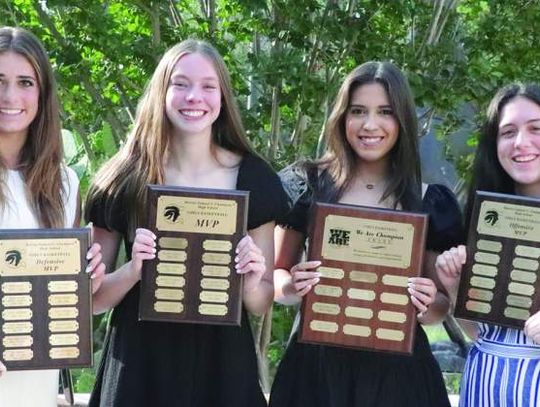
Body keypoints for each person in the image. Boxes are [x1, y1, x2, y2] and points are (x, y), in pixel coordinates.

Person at [84, 38, 289, 406]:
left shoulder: (254, 178)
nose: (195, 96)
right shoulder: (123, 179)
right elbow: (94, 298)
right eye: (180, 84)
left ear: (223, 97)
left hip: (222, 369)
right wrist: (132, 271)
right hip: (139, 365)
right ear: (161, 91)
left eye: (208, 86)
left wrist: (251, 279)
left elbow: (261, 303)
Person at [270, 61, 464, 407]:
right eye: (358, 111)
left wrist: (424, 302)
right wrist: (291, 286)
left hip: (400, 378)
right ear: (342, 117)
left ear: (401, 120)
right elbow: (277, 278)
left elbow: (439, 307)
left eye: (385, 112)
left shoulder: (428, 199)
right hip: (316, 374)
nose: (370, 125)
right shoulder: (307, 185)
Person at [0, 26, 105, 407]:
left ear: (42, 94)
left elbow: (69, 295)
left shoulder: (64, 182)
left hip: (36, 383)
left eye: (25, 82)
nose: (10, 96)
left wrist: (87, 274)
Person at [436, 83, 540, 406]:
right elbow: (480, 332)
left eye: (536, 128)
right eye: (507, 132)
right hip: (486, 381)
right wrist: (455, 287)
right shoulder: (486, 218)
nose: (521, 143)